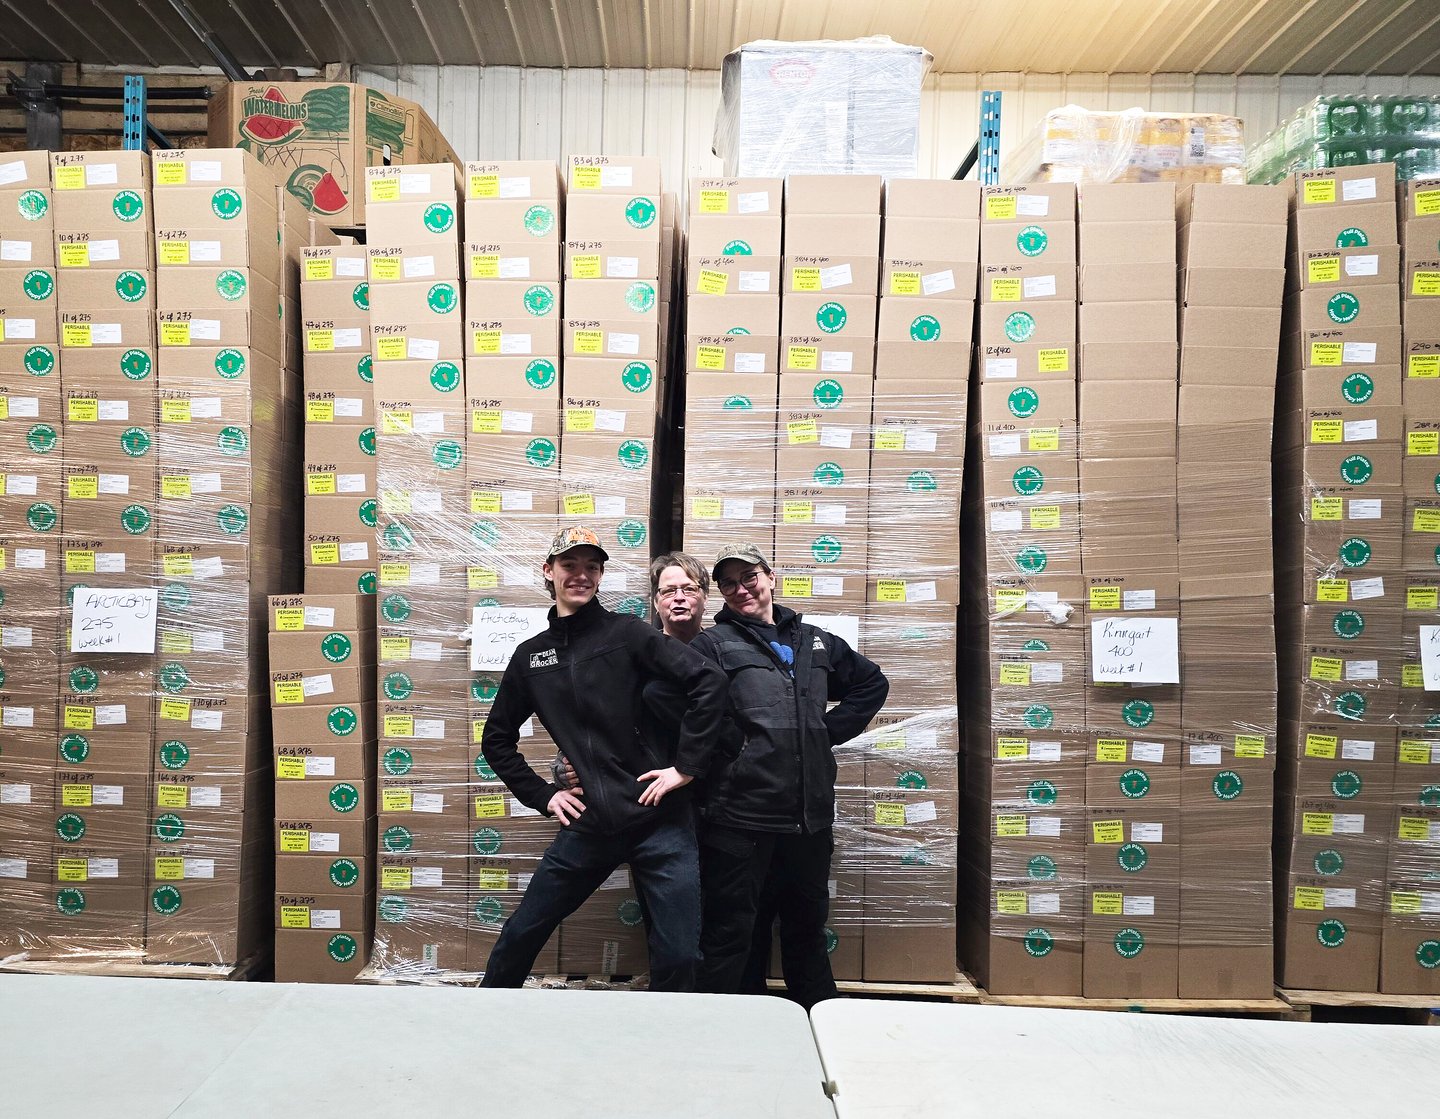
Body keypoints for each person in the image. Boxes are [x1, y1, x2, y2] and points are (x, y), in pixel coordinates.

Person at [477, 528, 727, 990]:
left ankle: (667, 1044)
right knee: (520, 934)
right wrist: (544, 795)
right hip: (591, 823)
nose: (581, 575)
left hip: (661, 821)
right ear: (548, 572)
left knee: (679, 954)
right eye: (570, 565)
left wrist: (685, 767)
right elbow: (496, 741)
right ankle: (483, 1020)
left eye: (592, 566)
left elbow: (708, 684)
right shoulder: (531, 658)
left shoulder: (628, 634)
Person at [690, 543, 888, 1009]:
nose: (741, 589)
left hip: (809, 818)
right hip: (742, 819)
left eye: (749, 577)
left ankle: (816, 1024)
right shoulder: (713, 644)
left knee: (806, 926)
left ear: (770, 576)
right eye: (729, 583)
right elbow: (688, 710)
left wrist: (825, 732)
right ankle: (736, 1027)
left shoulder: (814, 640)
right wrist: (736, 748)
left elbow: (871, 682)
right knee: (735, 930)